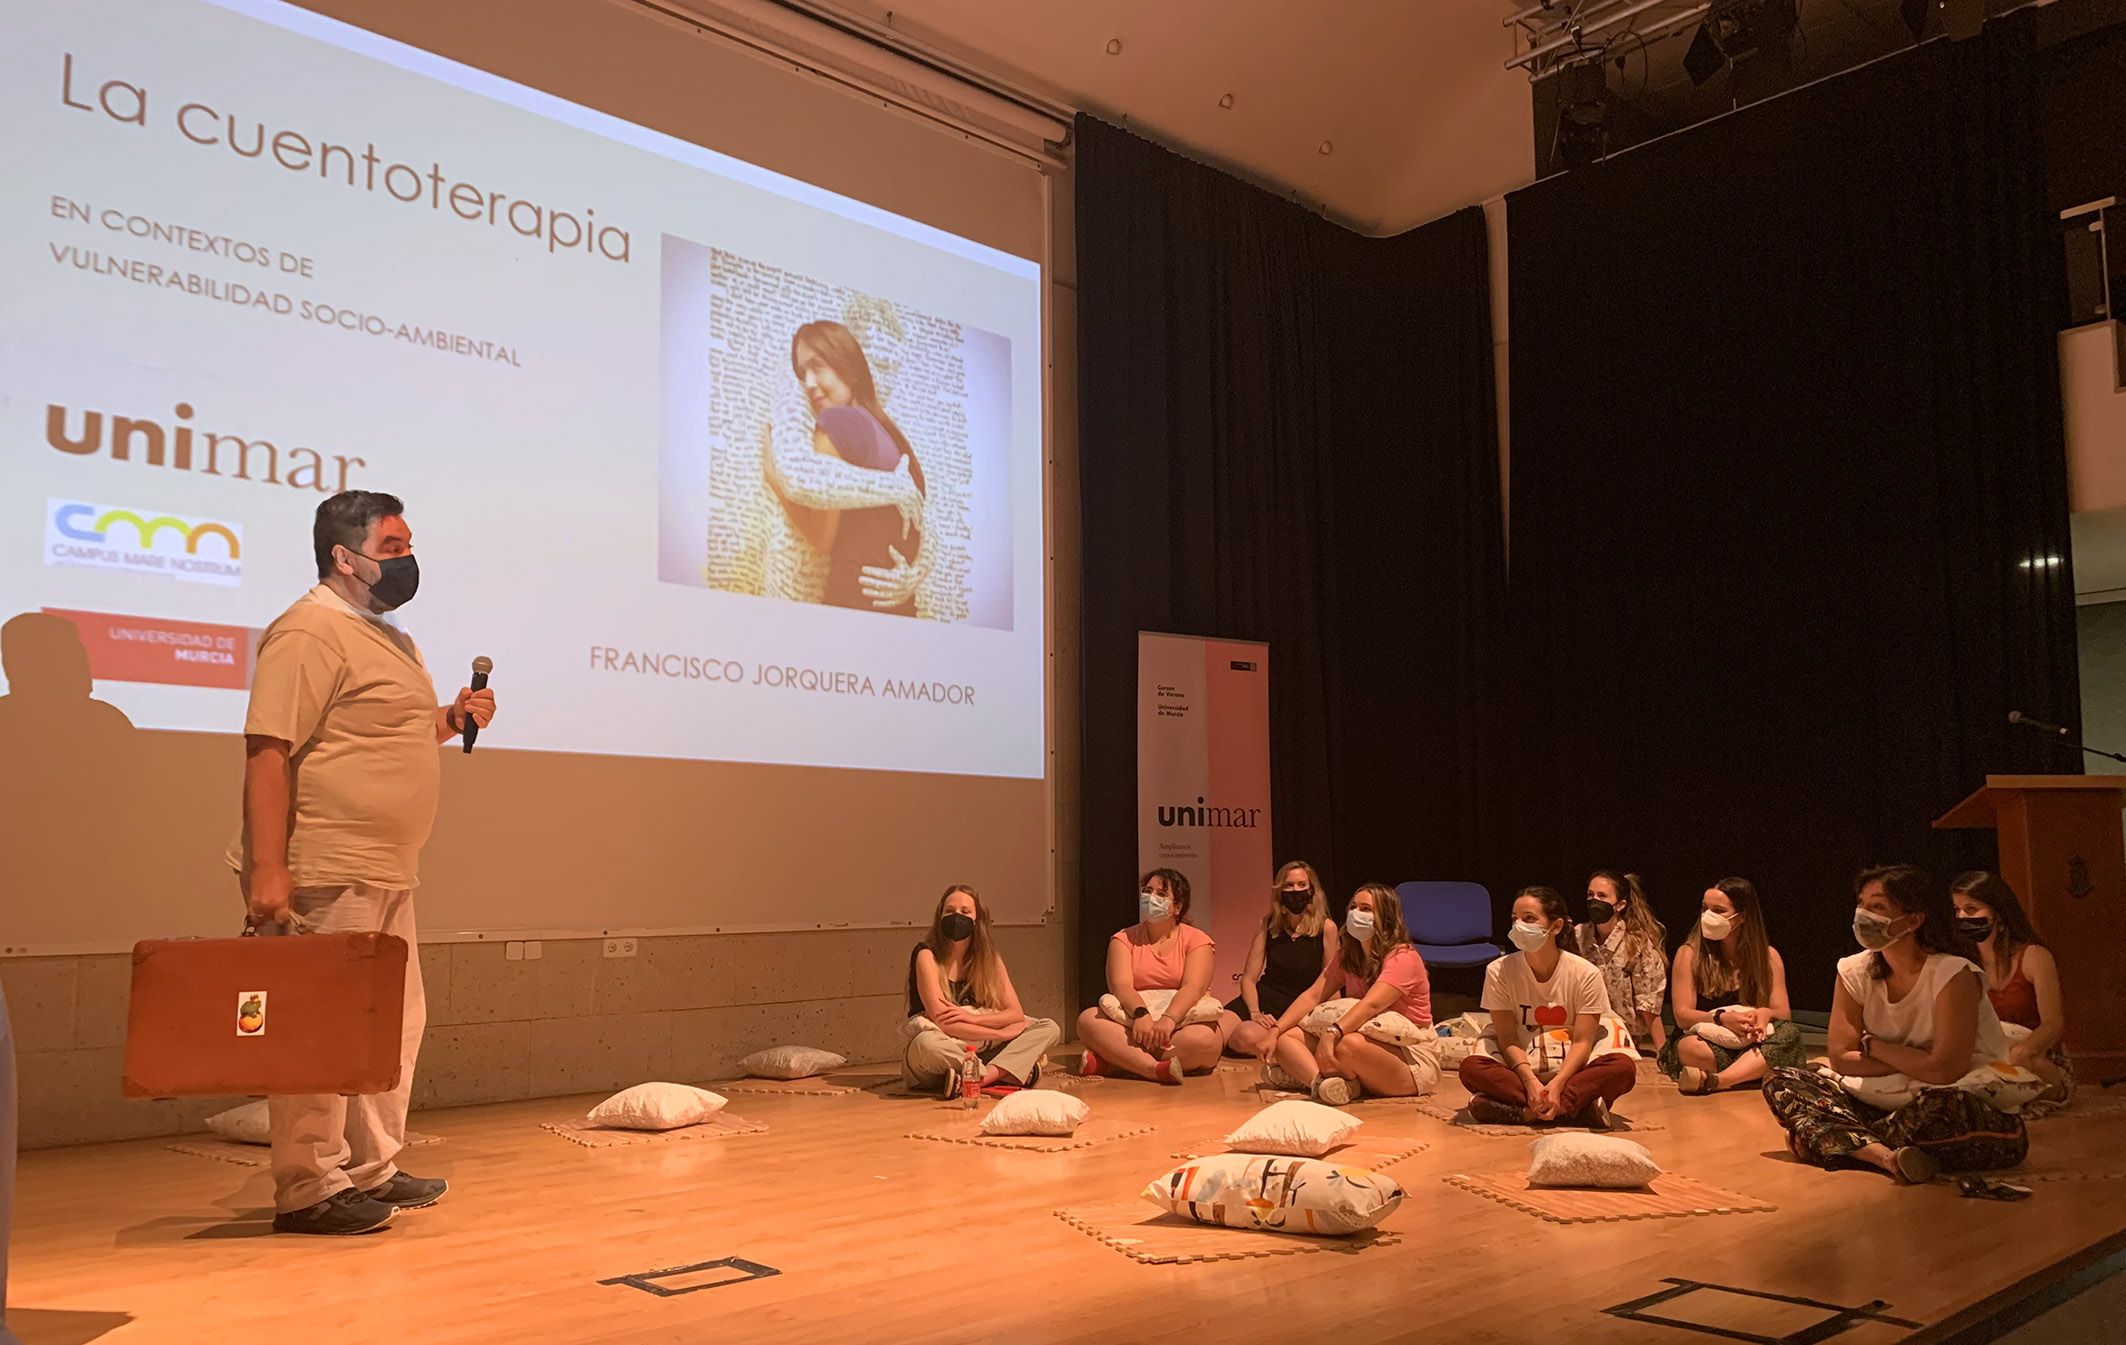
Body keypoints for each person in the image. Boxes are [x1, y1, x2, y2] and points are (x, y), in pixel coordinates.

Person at [228, 491, 494, 1236]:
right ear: (345, 558)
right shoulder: (308, 630)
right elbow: (268, 749)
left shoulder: (389, 636)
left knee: (391, 1029)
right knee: (321, 1032)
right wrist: (269, 869)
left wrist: (451, 719)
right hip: (324, 864)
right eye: (394, 545)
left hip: (385, 866)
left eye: (410, 544)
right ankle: (308, 1185)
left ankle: (371, 1166)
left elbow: (389, 735)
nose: (408, 559)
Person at [1763, 865, 2031, 1183]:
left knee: (1941, 1106)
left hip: (1961, 1108)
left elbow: (1946, 1071)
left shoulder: (1952, 974)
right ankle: (1885, 1158)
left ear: (1914, 920)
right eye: (1862, 905)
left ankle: (1834, 1140)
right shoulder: (1854, 971)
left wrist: (1873, 1046)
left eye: (1877, 907)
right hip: (1883, 1103)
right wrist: (1919, 1062)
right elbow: (1841, 1057)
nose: (1863, 914)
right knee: (1782, 1080)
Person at [767, 321, 932, 616]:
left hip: (852, 602)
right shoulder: (894, 437)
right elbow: (923, 524)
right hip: (903, 610)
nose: (809, 383)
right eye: (802, 373)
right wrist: (916, 573)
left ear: (849, 368)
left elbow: (820, 535)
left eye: (817, 366)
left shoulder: (840, 422)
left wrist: (773, 477)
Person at [1459, 886, 1637, 1127]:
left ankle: (1531, 1110)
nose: (1519, 925)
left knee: (1623, 1068)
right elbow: (1507, 1037)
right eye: (1515, 919)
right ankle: (1576, 1109)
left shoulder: (1585, 974)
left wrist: (1558, 1084)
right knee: (1472, 1068)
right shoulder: (1498, 971)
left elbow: (1583, 1041)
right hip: (1522, 1069)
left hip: (1572, 1069)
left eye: (1529, 919)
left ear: (1555, 926)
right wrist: (1531, 1082)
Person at [1262, 883, 1439, 1105]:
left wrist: (1331, 1034)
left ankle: (1327, 1077)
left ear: (1385, 917)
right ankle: (1324, 1085)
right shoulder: (1348, 955)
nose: (1356, 913)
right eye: (1353, 907)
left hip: (1410, 1055)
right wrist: (1276, 1029)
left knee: (1348, 1045)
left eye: (1366, 909)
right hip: (1353, 1040)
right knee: (1286, 1039)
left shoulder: (1403, 957)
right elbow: (1313, 995)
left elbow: (1371, 1006)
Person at [901, 885, 1061, 1096]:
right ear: (939, 917)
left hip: (982, 1050)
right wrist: (998, 1033)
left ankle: (980, 1078)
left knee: (1049, 1027)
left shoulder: (989, 959)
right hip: (943, 1052)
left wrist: (973, 1018)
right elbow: (944, 1023)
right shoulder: (926, 955)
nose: (957, 916)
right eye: (949, 911)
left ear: (977, 919)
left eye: (965, 912)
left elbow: (1014, 1013)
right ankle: (1004, 1071)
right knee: (925, 1043)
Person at [1075, 870, 1227, 1083]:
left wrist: (1168, 1020)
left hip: (1178, 1025)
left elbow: (1193, 987)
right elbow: (1121, 986)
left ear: (1178, 906)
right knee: (1088, 1021)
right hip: (1136, 1023)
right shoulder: (1123, 939)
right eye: (1147, 891)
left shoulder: (1198, 940)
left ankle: (1117, 1062)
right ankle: (1153, 1069)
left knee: (1204, 1041)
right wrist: (1141, 1016)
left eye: (1161, 894)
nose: (1151, 898)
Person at [1658, 877, 1806, 1095]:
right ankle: (1754, 1070)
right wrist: (1721, 1018)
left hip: (1751, 1040)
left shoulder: (1768, 957)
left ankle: (1720, 1080)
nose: (1708, 916)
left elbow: (1783, 1012)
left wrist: (1764, 1014)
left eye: (1719, 910)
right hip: (1708, 1040)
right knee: (1689, 1048)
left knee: (1790, 1034)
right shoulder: (1689, 953)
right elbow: (1682, 1016)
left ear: (1743, 916)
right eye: (1705, 908)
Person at [1953, 871, 2072, 1107]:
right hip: (1986, 1055)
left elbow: (2053, 1022)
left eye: (1971, 909)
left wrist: (2024, 1050)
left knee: (2025, 1065)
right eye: (1957, 910)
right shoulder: (1960, 962)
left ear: (1997, 912)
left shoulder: (2034, 956)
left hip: (2034, 1055)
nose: (1962, 916)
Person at [1219, 861, 1338, 1061]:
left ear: (1312, 890)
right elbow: (1248, 979)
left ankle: (1287, 1049)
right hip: (1264, 1000)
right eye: (1288, 885)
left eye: (1301, 885)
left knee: (1243, 1037)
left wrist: (1332, 1020)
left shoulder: (1327, 928)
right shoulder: (1268, 924)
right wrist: (1255, 1012)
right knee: (1217, 1029)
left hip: (1299, 1006)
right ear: (1279, 891)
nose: (1295, 891)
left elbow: (1332, 982)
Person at [1575, 871, 1668, 1054]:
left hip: (1622, 1039)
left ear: (1620, 905)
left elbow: (1649, 1003)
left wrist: (1663, 1053)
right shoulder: (1577, 937)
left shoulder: (1637, 945)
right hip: (1580, 1034)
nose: (1595, 900)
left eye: (1602, 896)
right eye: (1590, 895)